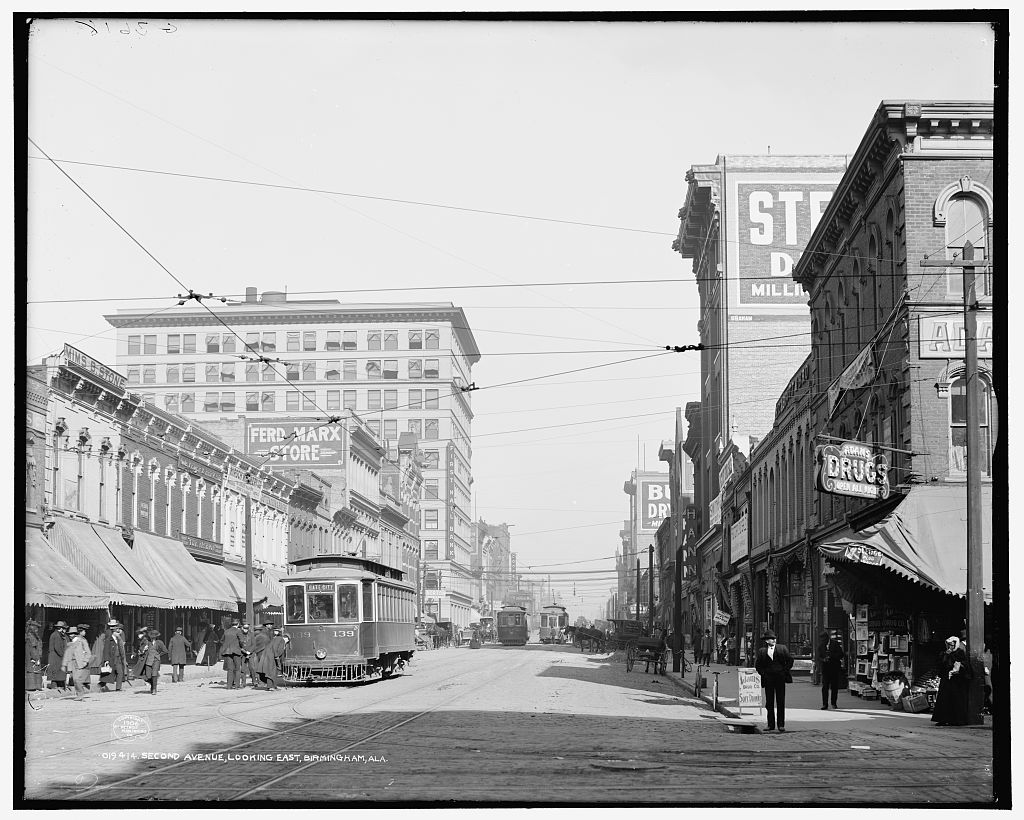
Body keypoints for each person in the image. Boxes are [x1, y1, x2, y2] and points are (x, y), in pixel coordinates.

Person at [754, 629, 794, 733]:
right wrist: (763, 673)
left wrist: (784, 671)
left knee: (781, 701)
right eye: (771, 639)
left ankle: (781, 724)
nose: (773, 640)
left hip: (780, 678)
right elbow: (758, 665)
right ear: (767, 641)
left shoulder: (782, 648)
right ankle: (770, 724)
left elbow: (790, 660)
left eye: (774, 638)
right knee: (769, 702)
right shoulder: (762, 651)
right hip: (768, 679)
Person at [932, 635, 974, 726]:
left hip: (957, 681)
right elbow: (940, 664)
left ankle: (957, 720)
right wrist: (946, 655)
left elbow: (965, 665)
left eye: (952, 645)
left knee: (957, 700)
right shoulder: (944, 653)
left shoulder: (960, 653)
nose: (950, 647)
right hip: (946, 680)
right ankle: (943, 719)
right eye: (948, 645)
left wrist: (958, 666)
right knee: (944, 700)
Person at [63, 625, 93, 701]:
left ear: (75, 634)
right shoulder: (70, 643)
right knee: (75, 680)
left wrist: (85, 662)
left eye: (71, 634)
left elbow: (88, 653)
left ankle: (80, 694)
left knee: (77, 679)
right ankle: (78, 694)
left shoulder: (82, 641)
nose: (70, 635)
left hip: (80, 663)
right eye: (69, 634)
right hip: (73, 663)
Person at [818, 630, 845, 710]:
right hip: (825, 669)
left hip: (834, 668)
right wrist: (823, 659)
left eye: (824, 640)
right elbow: (819, 657)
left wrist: (832, 656)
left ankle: (834, 703)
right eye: (822, 640)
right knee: (825, 687)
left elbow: (841, 654)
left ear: (827, 638)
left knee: (834, 686)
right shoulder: (821, 646)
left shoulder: (835, 643)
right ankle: (825, 704)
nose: (823, 641)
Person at [138, 629, 167, 695]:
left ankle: (154, 689)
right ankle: (153, 684)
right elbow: (140, 649)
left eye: (154, 636)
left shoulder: (159, 642)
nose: (152, 638)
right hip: (148, 660)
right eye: (151, 636)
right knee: (147, 676)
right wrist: (144, 649)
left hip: (156, 660)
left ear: (156, 637)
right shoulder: (147, 642)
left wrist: (158, 655)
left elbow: (165, 651)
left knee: (154, 674)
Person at [252, 622, 279, 691]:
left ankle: (268, 683)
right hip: (264, 652)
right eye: (269, 625)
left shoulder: (266, 633)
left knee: (264, 668)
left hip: (263, 652)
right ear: (266, 625)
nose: (271, 626)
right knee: (267, 668)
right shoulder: (264, 634)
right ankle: (266, 683)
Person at [102, 621, 128, 692]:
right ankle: (102, 684)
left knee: (120, 672)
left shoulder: (119, 639)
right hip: (112, 658)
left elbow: (121, 649)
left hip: (118, 658)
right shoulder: (109, 639)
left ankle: (118, 688)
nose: (118, 633)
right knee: (109, 672)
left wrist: (123, 658)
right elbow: (106, 650)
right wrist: (106, 659)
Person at [220, 618, 244, 690]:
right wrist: (241, 647)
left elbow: (221, 640)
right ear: (238, 624)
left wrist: (226, 645)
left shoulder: (226, 631)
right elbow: (242, 641)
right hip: (236, 652)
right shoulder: (238, 631)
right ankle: (237, 686)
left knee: (230, 669)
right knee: (237, 669)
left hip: (227, 652)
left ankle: (229, 686)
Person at [46, 621, 69, 690]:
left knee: (57, 673)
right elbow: (57, 647)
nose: (65, 630)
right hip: (55, 657)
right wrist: (63, 655)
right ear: (61, 628)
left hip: (56, 657)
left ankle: (58, 686)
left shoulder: (57, 634)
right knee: (56, 673)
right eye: (64, 628)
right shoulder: (56, 635)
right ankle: (55, 687)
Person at [25, 620, 43, 691]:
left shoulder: (31, 636)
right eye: (36, 627)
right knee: (32, 670)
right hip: (31, 657)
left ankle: (35, 686)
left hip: (32, 656)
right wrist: (35, 658)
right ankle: (31, 687)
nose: (37, 629)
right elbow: (32, 649)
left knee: (34, 670)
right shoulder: (31, 637)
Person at [239, 623, 255, 688]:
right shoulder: (239, 635)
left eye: (247, 629)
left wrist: (249, 652)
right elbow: (238, 644)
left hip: (250, 654)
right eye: (244, 628)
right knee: (243, 669)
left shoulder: (251, 635)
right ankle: (243, 682)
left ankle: (254, 681)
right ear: (242, 628)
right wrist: (244, 651)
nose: (246, 630)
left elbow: (254, 644)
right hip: (243, 654)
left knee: (252, 668)